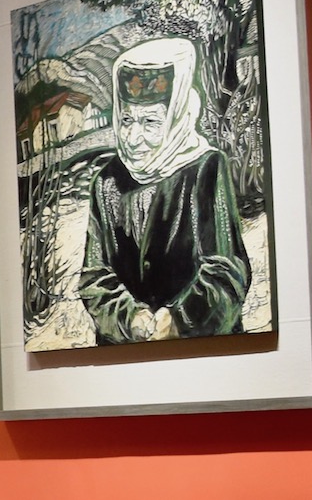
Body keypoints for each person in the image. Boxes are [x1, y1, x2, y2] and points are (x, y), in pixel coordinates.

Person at [70, 37, 252, 345]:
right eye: (126, 120)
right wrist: (130, 318)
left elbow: (227, 271)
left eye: (151, 122)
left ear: (176, 117)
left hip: (203, 350)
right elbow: (94, 276)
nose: (133, 137)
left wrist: (180, 319)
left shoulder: (205, 168)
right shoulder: (106, 180)